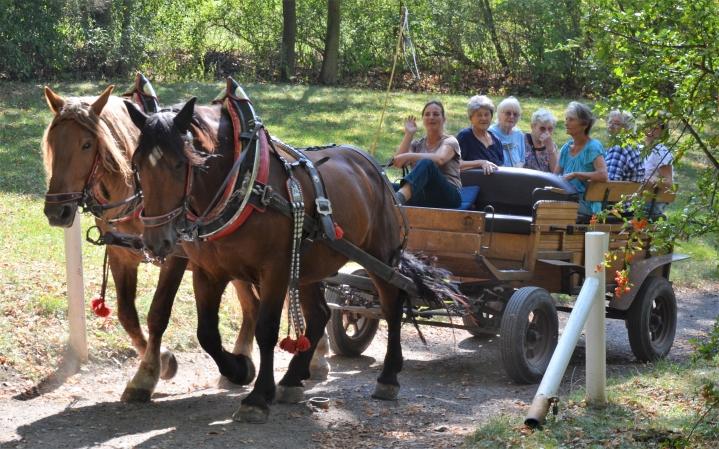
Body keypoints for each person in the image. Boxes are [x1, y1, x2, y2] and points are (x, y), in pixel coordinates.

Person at [392, 100, 462, 208]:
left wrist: (409, 156)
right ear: (423, 119)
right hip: (423, 193)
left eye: (436, 114)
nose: (431, 117)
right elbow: (399, 162)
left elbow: (440, 159)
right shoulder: (416, 144)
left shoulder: (450, 141)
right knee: (385, 187)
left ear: (444, 119)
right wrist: (409, 135)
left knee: (427, 163)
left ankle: (398, 199)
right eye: (427, 114)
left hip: (448, 196)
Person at [554, 101, 608, 217]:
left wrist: (575, 174)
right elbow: (554, 177)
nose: (566, 123)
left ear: (584, 124)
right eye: (566, 119)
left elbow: (603, 175)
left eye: (571, 120)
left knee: (550, 209)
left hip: (586, 203)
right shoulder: (565, 148)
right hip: (567, 198)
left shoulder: (593, 147)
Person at [456, 95, 501, 174]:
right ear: (471, 118)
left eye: (486, 114)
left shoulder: (496, 140)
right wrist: (481, 163)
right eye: (479, 115)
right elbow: (454, 164)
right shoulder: (465, 136)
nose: (483, 118)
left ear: (491, 117)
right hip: (470, 184)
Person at [604, 109, 644, 182]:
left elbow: (609, 183)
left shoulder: (619, 148)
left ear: (627, 128)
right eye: (610, 122)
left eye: (616, 124)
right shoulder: (634, 145)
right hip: (631, 192)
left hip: (616, 192)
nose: (611, 126)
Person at [489, 96, 525, 167]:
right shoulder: (490, 133)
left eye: (515, 114)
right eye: (508, 113)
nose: (512, 117)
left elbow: (522, 160)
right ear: (499, 114)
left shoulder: (519, 134)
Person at [524, 108, 558, 173]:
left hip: (546, 182)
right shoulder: (522, 141)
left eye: (550, 129)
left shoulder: (552, 146)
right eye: (542, 128)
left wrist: (551, 150)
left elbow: (555, 172)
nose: (546, 132)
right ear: (532, 126)